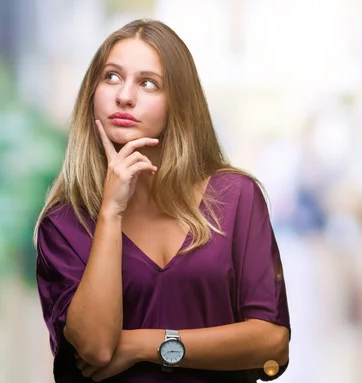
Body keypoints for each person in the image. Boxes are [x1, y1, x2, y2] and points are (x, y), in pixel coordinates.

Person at [33, 18, 290, 383]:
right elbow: (96, 348)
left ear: (178, 104)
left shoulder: (236, 198)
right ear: (91, 92)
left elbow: (272, 344)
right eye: (111, 77)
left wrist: (146, 345)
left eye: (148, 83)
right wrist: (111, 211)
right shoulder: (63, 225)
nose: (125, 95)